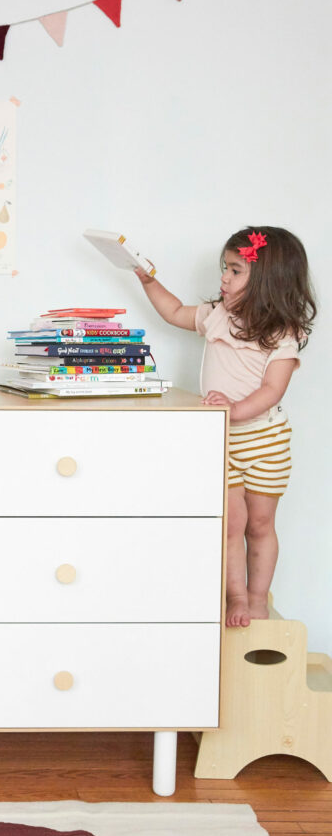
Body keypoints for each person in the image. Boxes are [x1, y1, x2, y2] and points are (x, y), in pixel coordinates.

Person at [133, 227, 316, 627]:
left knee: (262, 524)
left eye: (235, 271)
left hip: (265, 441)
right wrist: (148, 280)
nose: (223, 279)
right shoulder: (217, 315)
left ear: (269, 280)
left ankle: (256, 597)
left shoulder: (282, 335)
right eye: (225, 269)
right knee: (232, 523)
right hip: (220, 439)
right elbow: (174, 311)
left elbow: (271, 390)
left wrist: (232, 408)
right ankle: (235, 595)